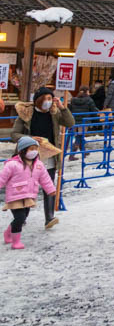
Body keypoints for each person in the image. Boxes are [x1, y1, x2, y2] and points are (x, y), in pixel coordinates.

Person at [11, 88, 75, 229]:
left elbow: (70, 123)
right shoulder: (26, 114)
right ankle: (22, 217)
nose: (48, 102)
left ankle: (49, 217)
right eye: (45, 99)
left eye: (50, 98)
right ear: (38, 101)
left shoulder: (54, 113)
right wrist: (30, 138)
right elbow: (14, 134)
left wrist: (62, 108)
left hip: (49, 154)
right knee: (27, 186)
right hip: (30, 155)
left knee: (49, 186)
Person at [1, 137, 57, 249]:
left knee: (23, 217)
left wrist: (51, 190)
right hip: (15, 196)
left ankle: (8, 233)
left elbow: (45, 179)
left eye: (36, 148)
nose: (34, 151)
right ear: (22, 150)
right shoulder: (12, 165)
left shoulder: (38, 165)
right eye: (31, 149)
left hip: (28, 196)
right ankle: (15, 242)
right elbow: (2, 178)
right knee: (20, 218)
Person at [69, 86, 99, 156]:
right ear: (86, 92)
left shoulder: (73, 100)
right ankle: (72, 155)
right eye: (88, 91)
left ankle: (84, 152)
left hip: (75, 121)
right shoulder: (89, 100)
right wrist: (97, 121)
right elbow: (93, 111)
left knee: (79, 136)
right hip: (84, 121)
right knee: (79, 137)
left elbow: (70, 109)